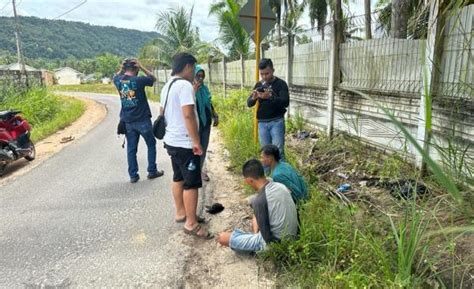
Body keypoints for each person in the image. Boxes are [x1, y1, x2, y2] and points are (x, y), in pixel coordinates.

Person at [161, 53, 212, 239]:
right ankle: (191, 224)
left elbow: (163, 112)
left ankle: (182, 212)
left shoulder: (167, 86)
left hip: (172, 141)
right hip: (185, 143)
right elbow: (189, 115)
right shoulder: (184, 86)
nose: (194, 74)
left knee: (178, 177)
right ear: (188, 66)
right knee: (191, 183)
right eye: (194, 69)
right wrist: (196, 142)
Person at [217, 159, 298, 253]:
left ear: (249, 180)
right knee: (256, 216)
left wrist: (258, 239)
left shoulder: (259, 201)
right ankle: (251, 237)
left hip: (277, 243)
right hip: (293, 235)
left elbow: (267, 238)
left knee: (222, 238)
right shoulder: (280, 186)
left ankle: (252, 243)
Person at [113, 59, 164, 183]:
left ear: (125, 69)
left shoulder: (119, 81)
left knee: (131, 149)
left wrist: (122, 67)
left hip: (128, 121)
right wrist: (142, 67)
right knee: (151, 144)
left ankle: (133, 175)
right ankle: (152, 171)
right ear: (136, 69)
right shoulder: (139, 80)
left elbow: (115, 76)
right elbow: (153, 78)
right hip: (143, 120)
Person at [247, 58, 290, 160]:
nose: (264, 76)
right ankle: (266, 175)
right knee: (265, 153)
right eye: (262, 74)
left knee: (278, 151)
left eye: (267, 73)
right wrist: (254, 98)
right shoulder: (259, 85)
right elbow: (249, 103)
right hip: (262, 123)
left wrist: (270, 97)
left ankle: (280, 175)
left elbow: (285, 102)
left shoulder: (281, 84)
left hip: (277, 121)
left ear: (273, 70)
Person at [193, 65, 219, 182]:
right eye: (198, 76)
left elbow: (209, 103)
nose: (200, 79)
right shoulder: (189, 89)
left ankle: (200, 170)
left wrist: (215, 115)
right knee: (195, 149)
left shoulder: (204, 89)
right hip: (195, 124)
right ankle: (193, 171)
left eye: (202, 76)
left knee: (203, 147)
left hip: (206, 123)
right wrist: (193, 91)